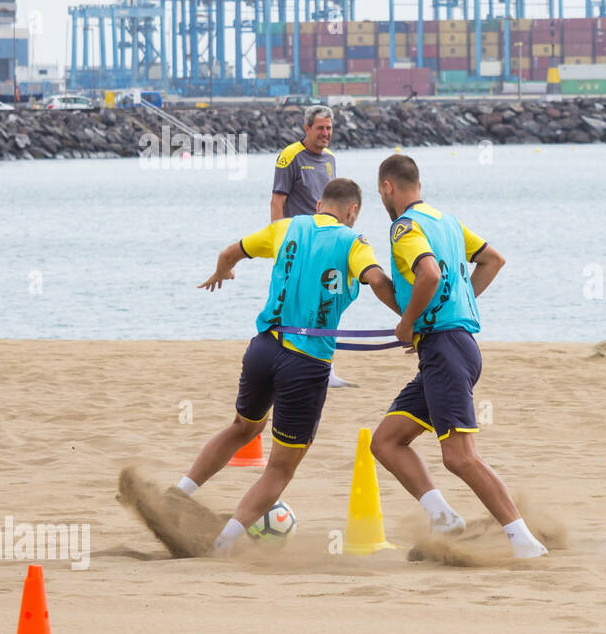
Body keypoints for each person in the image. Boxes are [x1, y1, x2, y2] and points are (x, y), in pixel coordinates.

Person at [176, 178, 395, 556]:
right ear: (352, 211)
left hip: (262, 348)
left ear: (319, 204)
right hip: (306, 362)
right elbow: (375, 279)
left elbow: (231, 252)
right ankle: (222, 545)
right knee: (279, 468)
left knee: (243, 428)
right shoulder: (353, 242)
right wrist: (409, 319)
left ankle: (178, 494)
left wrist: (221, 273)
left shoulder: (286, 227)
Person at [370, 154, 547, 558]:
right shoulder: (445, 221)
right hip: (454, 345)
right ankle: (444, 516)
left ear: (387, 188)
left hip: (446, 349)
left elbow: (429, 274)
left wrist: (410, 321)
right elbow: (492, 260)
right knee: (386, 441)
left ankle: (525, 543)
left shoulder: (405, 226)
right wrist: (450, 309)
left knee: (460, 458)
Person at [270, 104, 354, 388]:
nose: (325, 134)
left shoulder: (330, 159)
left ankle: (326, 368)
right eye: (320, 128)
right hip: (300, 244)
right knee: (296, 307)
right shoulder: (289, 157)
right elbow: (277, 202)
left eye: (329, 128)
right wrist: (280, 245)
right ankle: (287, 362)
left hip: (329, 244)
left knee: (330, 302)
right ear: (306, 129)